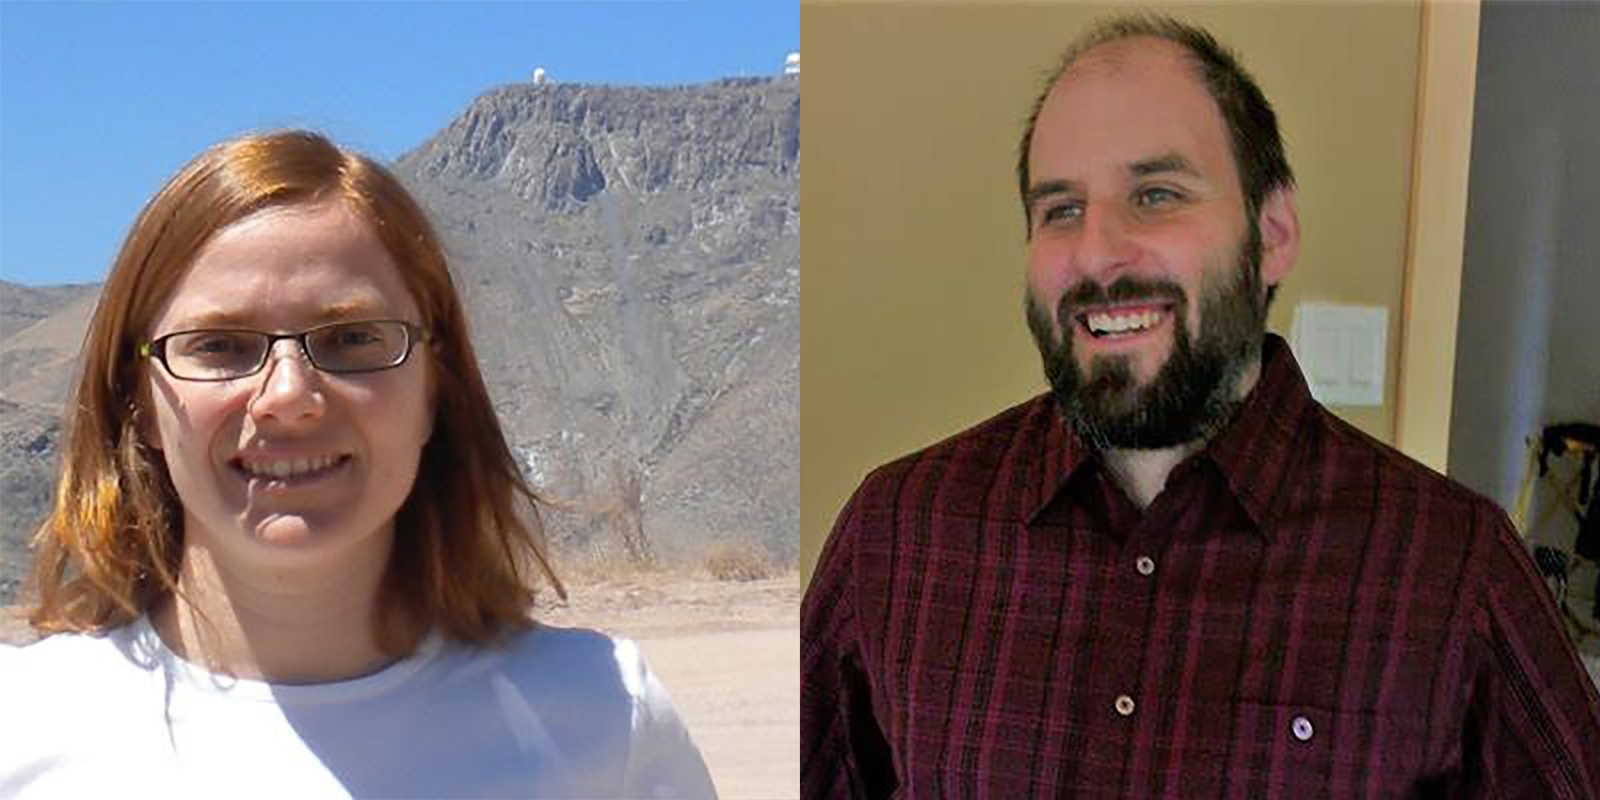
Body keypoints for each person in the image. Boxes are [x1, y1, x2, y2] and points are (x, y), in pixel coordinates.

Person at [801, 15, 1600, 799]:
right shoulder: (898, 535)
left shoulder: (1451, 568)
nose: (1097, 252)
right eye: (1060, 210)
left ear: (1273, 232)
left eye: (1156, 193)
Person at [0, 130, 717, 799]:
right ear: (138, 402)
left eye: (351, 338)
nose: (288, 396)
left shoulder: (605, 719)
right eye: (220, 345)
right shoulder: (22, 730)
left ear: (436, 388)